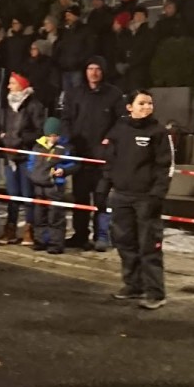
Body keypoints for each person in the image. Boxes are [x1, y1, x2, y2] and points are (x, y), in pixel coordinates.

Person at [101, 90, 174, 309]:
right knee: (125, 243)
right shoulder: (119, 129)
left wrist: (157, 195)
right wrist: (104, 187)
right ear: (129, 107)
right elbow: (110, 160)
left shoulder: (158, 132)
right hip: (121, 196)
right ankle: (134, 285)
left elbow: (165, 166)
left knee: (149, 246)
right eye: (141, 103)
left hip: (145, 198)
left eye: (149, 103)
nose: (146, 107)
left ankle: (155, 293)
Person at [62, 56, 122, 251]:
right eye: (90, 68)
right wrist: (70, 140)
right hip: (80, 154)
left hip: (102, 157)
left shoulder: (113, 94)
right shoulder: (75, 93)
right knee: (80, 199)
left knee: (101, 199)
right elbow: (66, 119)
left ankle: (101, 235)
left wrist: (110, 139)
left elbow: (121, 122)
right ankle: (80, 235)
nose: (94, 73)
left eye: (98, 69)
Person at [0, 72, 45, 245]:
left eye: (12, 83)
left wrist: (21, 138)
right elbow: (1, 127)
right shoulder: (6, 106)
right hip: (10, 156)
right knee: (12, 194)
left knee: (27, 195)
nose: (8, 86)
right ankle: (10, 228)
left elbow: (39, 132)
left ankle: (29, 229)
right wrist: (2, 138)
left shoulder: (34, 106)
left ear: (21, 85)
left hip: (26, 155)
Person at [28, 117, 77, 254]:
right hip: (39, 186)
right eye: (50, 135)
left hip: (55, 187)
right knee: (39, 216)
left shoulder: (64, 149)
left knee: (55, 216)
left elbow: (73, 164)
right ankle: (40, 241)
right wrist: (33, 174)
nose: (52, 138)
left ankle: (56, 244)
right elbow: (30, 163)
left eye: (55, 135)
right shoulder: (37, 147)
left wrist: (63, 171)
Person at [54, 5, 96, 101]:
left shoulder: (85, 30)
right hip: (65, 69)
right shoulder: (65, 31)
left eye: (69, 15)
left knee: (79, 95)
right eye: (66, 15)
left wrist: (80, 62)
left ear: (76, 16)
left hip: (78, 69)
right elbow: (60, 47)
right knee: (68, 97)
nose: (67, 18)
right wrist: (60, 61)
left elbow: (90, 49)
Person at [20, 40, 60, 112]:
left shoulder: (49, 63)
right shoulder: (29, 62)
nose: (32, 51)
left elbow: (53, 82)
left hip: (43, 95)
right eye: (31, 49)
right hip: (29, 93)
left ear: (41, 50)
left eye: (34, 49)